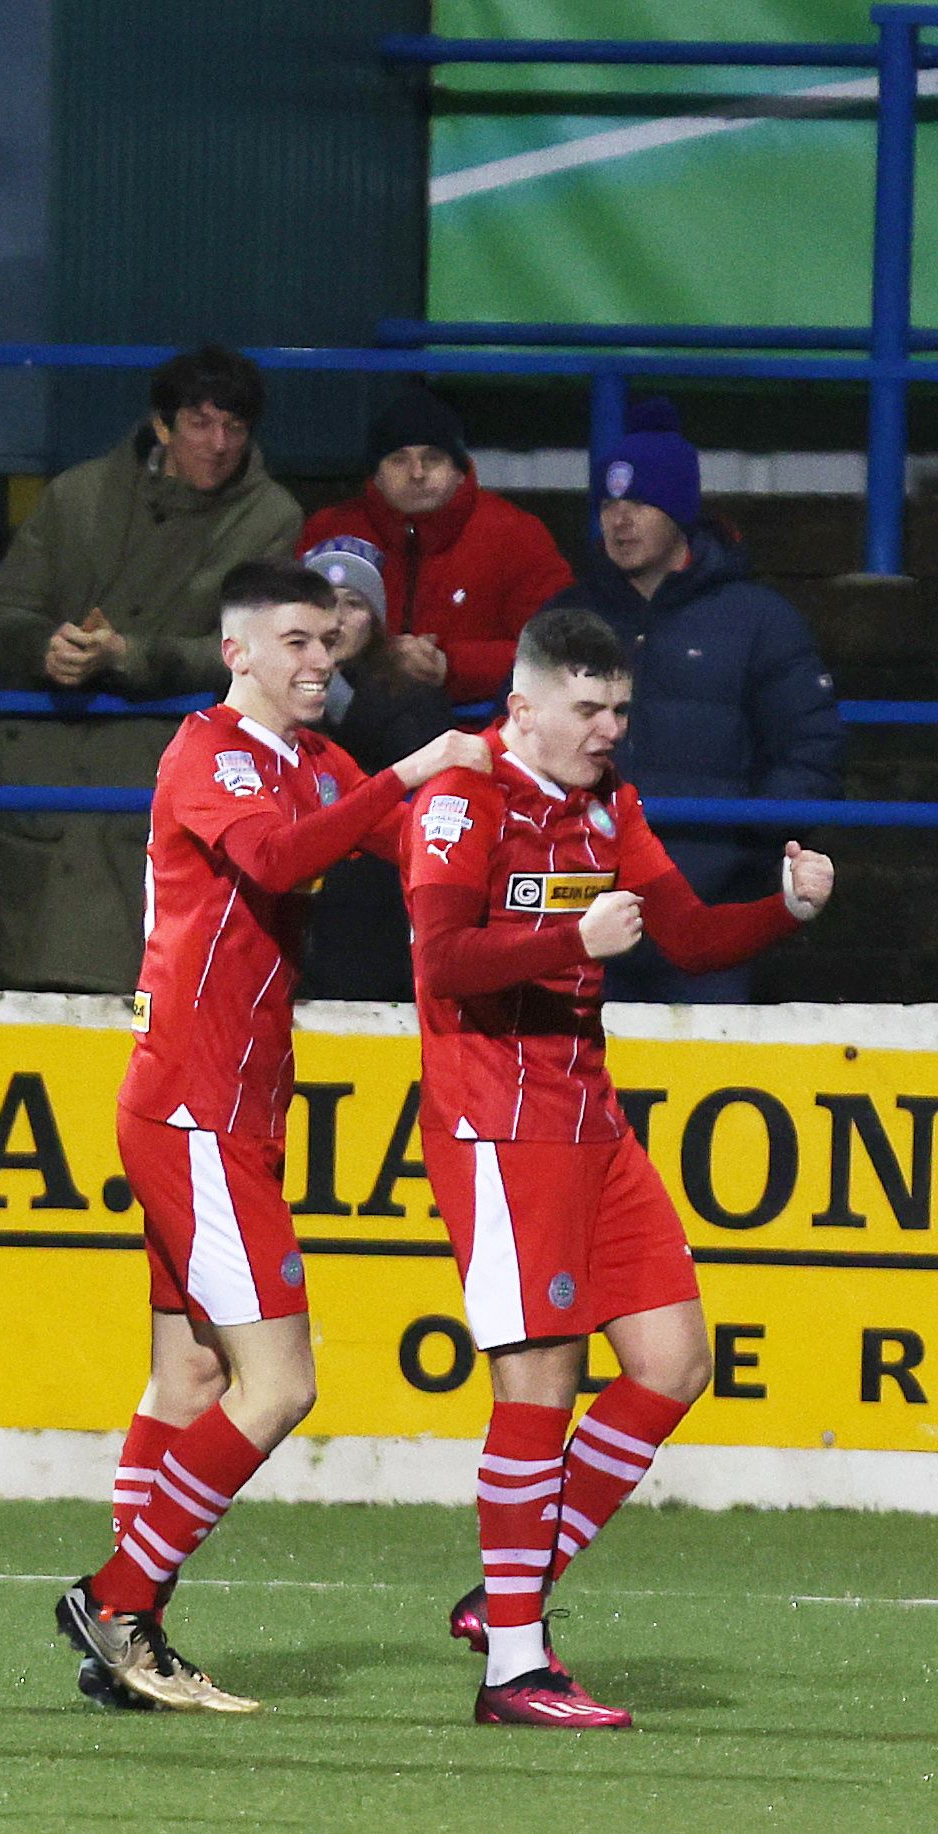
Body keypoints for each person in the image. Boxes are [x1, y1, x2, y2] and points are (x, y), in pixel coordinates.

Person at [56, 559, 489, 1713]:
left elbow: (402, 847)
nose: (317, 662)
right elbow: (275, 857)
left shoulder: (309, 760)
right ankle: (117, 1598)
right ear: (235, 651)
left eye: (328, 645)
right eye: (294, 642)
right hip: (194, 1106)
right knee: (279, 1381)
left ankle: (130, 1630)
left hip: (229, 1108)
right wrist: (413, 766)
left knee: (190, 1370)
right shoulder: (207, 751)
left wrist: (507, 823)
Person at [402, 605, 833, 1728]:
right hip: (498, 1126)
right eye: (588, 709)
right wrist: (567, 941)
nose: (608, 729)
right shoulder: (462, 800)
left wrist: (782, 911)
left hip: (592, 1124)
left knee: (672, 1362)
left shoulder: (608, 807)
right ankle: (511, 1668)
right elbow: (443, 961)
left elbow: (684, 936)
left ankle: (511, 1597)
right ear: (525, 707)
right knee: (538, 1384)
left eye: (620, 709)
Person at [0, 345, 303, 993]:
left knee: (160, 985)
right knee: (41, 986)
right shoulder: (78, 496)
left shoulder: (271, 518)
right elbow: (4, 613)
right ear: (161, 426)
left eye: (234, 428)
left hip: (168, 768)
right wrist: (45, 646)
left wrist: (131, 656)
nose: (217, 444)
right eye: (199, 424)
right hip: (54, 763)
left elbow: (255, 652)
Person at [546, 400, 844, 1003]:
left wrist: (746, 856)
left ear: (681, 511)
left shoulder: (759, 621)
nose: (620, 521)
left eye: (640, 503)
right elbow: (519, 741)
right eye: (608, 505)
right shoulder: (564, 618)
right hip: (579, 897)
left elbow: (810, 751)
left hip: (709, 906)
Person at [297, 384, 571, 704]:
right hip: (341, 721)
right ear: (376, 475)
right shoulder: (330, 530)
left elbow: (558, 650)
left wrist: (448, 665)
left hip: (477, 730)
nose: (417, 473)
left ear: (459, 470)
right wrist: (378, 660)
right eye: (399, 460)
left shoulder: (517, 535)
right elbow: (290, 632)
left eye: (433, 458)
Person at [296, 534, 458, 1002]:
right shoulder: (270, 689)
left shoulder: (410, 692)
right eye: (324, 603)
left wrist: (342, 699)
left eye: (354, 604)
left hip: (373, 899)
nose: (338, 619)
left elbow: (423, 771)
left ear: (377, 621)